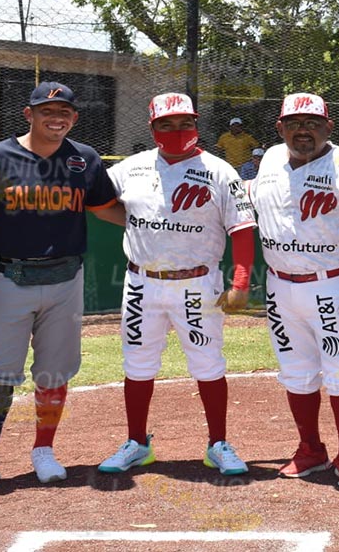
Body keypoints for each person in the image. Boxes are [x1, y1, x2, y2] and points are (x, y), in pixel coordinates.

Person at [0, 81, 119, 495]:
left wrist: (162, 218)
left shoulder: (85, 159)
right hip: (12, 278)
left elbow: (107, 210)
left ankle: (44, 449)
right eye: (47, 111)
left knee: (54, 372)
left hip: (66, 280)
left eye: (64, 112)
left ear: (74, 118)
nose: (56, 118)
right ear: (29, 114)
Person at [97, 92, 257, 476]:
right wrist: (135, 222)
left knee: (208, 363)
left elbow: (242, 229)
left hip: (197, 282)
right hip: (142, 281)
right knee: (138, 363)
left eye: (185, 123)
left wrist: (240, 282)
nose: (177, 130)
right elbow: (99, 203)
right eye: (166, 124)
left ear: (196, 124)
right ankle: (137, 443)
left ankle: (218, 443)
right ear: (152, 127)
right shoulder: (130, 168)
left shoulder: (219, 171)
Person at [246, 93, 339, 488]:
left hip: (335, 283)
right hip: (280, 285)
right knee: (295, 372)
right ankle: (310, 449)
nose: (303, 130)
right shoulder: (270, 159)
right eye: (294, 123)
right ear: (280, 127)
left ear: (328, 127)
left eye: (312, 123)